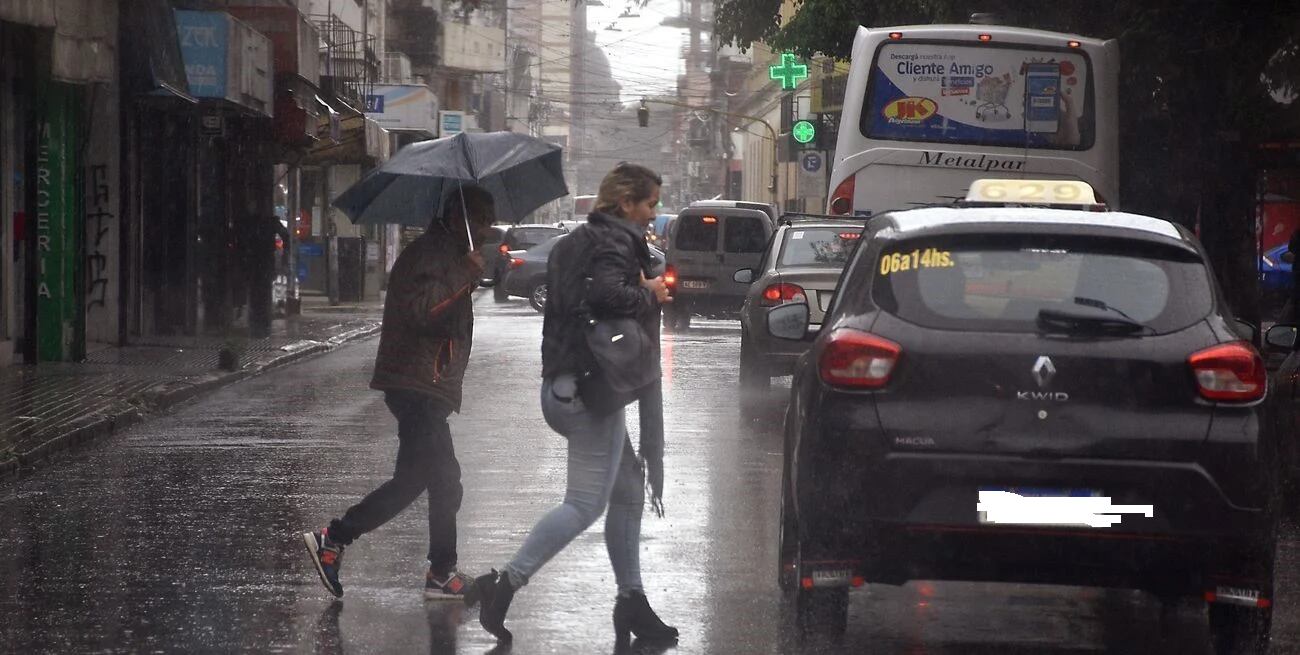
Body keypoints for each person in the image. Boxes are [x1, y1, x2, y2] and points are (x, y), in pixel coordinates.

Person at [475, 164, 679, 649]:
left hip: (566, 386)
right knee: (585, 504)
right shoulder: (616, 242)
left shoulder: (575, 243)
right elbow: (610, 295)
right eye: (649, 204)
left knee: (627, 489)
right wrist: (648, 291)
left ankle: (632, 601)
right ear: (626, 204)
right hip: (589, 392)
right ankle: (505, 583)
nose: (653, 214)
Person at [302, 185, 496, 601]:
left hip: (424, 383)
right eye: (481, 219)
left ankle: (425, 568)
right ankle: (340, 540)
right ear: (460, 218)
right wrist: (466, 274)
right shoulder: (432, 254)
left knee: (420, 480)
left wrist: (465, 273)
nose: (488, 229)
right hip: (416, 384)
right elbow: (424, 312)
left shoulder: (448, 254)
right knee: (443, 479)